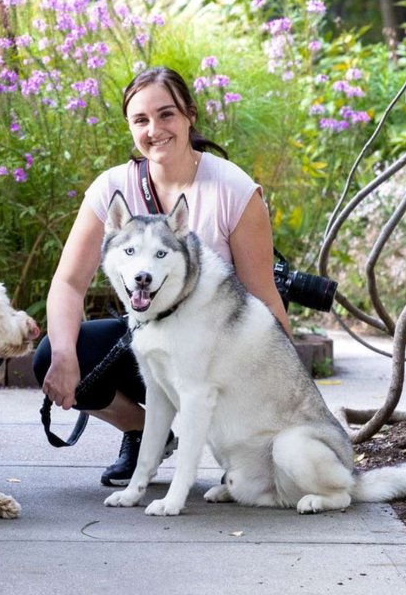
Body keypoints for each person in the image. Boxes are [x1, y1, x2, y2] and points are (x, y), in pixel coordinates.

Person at [33, 66, 291, 487]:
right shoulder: (111, 187)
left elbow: (263, 297)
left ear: (190, 114)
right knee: (52, 354)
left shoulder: (233, 190)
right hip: (145, 333)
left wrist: (286, 402)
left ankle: (239, 446)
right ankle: (142, 431)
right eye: (141, 120)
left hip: (214, 346)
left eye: (166, 114)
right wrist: (64, 354)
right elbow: (68, 283)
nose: (155, 129)